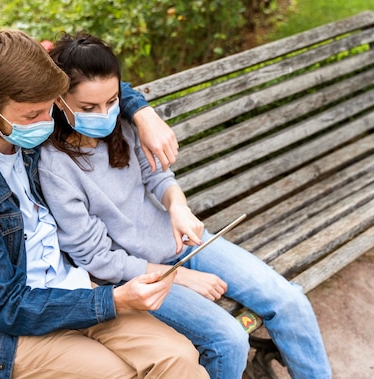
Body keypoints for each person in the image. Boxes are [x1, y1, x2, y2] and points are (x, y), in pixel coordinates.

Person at [38, 32, 333, 379]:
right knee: (229, 340)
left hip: (182, 243)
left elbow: (159, 179)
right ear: (60, 101)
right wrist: (181, 277)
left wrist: (178, 207)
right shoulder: (54, 166)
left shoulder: (123, 125)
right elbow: (98, 261)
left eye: (112, 102)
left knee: (289, 301)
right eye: (89, 108)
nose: (104, 115)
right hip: (134, 277)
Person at [0, 29, 210, 379]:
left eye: (50, 110)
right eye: (33, 116)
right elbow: (5, 307)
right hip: (11, 331)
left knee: (178, 357)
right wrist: (115, 301)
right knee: (122, 373)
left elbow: (101, 81)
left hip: (71, 287)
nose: (47, 125)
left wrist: (142, 113)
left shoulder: (21, 110)